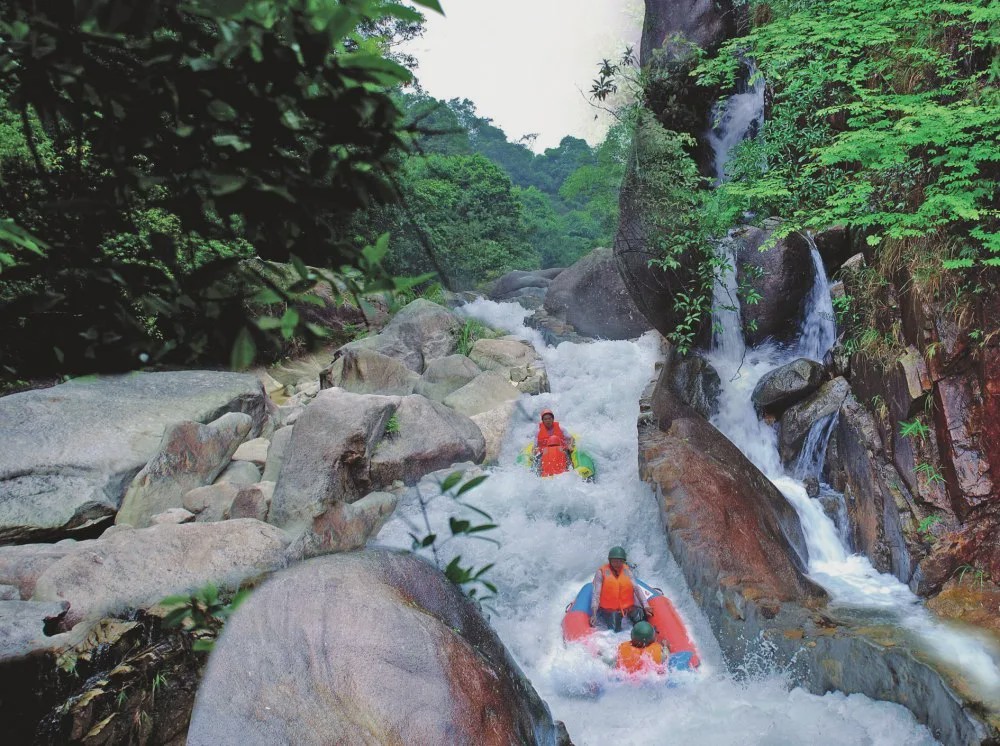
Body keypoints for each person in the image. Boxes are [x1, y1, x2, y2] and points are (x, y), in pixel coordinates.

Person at [590, 546, 652, 632]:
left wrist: (646, 606)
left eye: (620, 561)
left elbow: (637, 589)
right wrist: (594, 614)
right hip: (611, 610)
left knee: (642, 621)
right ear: (610, 561)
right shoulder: (601, 572)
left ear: (624, 561)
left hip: (628, 608)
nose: (618, 564)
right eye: (615, 561)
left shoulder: (627, 571)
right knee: (614, 630)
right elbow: (596, 593)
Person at [533, 409, 575, 476]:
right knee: (538, 461)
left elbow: (571, 438)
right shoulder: (538, 432)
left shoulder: (561, 428)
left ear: (553, 419)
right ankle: (538, 474)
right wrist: (533, 453)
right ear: (543, 421)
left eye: (549, 418)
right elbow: (535, 446)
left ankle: (571, 471)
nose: (548, 421)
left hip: (561, 450)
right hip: (545, 452)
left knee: (567, 456)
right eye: (545, 419)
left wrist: (570, 445)